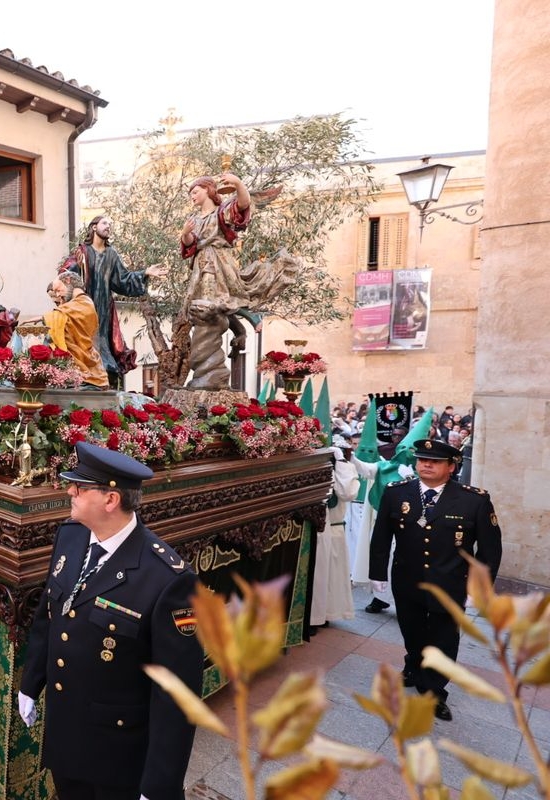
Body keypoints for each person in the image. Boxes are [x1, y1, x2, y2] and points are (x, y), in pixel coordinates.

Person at [19, 442, 204, 800]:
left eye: (80, 486)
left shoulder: (167, 579)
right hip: (67, 736)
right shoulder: (71, 537)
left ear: (110, 500)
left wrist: (159, 785)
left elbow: (177, 695)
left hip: (118, 759)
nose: (69, 490)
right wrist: (31, 683)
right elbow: (50, 614)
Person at [368, 438, 502, 722]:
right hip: (407, 579)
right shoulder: (397, 493)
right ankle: (414, 667)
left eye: (435, 461)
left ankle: (435, 691)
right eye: (422, 460)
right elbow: (381, 536)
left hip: (451, 582)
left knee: (444, 638)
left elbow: (490, 549)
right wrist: (376, 573)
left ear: (452, 467)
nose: (426, 465)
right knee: (412, 630)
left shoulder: (474, 499)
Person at [179, 174, 299, 390]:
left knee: (216, 303)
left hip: (218, 262)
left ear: (208, 190)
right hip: (201, 263)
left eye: (195, 192)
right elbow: (190, 247)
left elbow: (243, 205)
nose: (192, 197)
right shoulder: (195, 220)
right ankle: (239, 331)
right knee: (205, 307)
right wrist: (185, 233)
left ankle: (246, 325)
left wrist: (238, 183)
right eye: (190, 194)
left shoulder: (221, 211)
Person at [62, 215, 149, 388]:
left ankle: (103, 381)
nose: (108, 226)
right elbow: (66, 276)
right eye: (104, 223)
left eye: (110, 224)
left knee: (104, 346)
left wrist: (145, 273)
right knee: (85, 343)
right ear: (94, 227)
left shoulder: (112, 254)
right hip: (85, 308)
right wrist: (74, 267)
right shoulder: (82, 252)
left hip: (104, 311)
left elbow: (123, 279)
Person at [309, 438, 359, 634]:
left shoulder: (345, 470)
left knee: (331, 577)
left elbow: (347, 492)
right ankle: (314, 617)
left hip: (334, 529)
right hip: (318, 529)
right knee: (318, 576)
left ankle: (326, 614)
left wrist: (341, 464)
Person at [31, 271, 107, 389]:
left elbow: (62, 315)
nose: (57, 295)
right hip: (78, 360)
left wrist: (44, 317)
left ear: (67, 281)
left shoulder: (83, 302)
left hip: (83, 361)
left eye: (58, 290)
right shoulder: (73, 305)